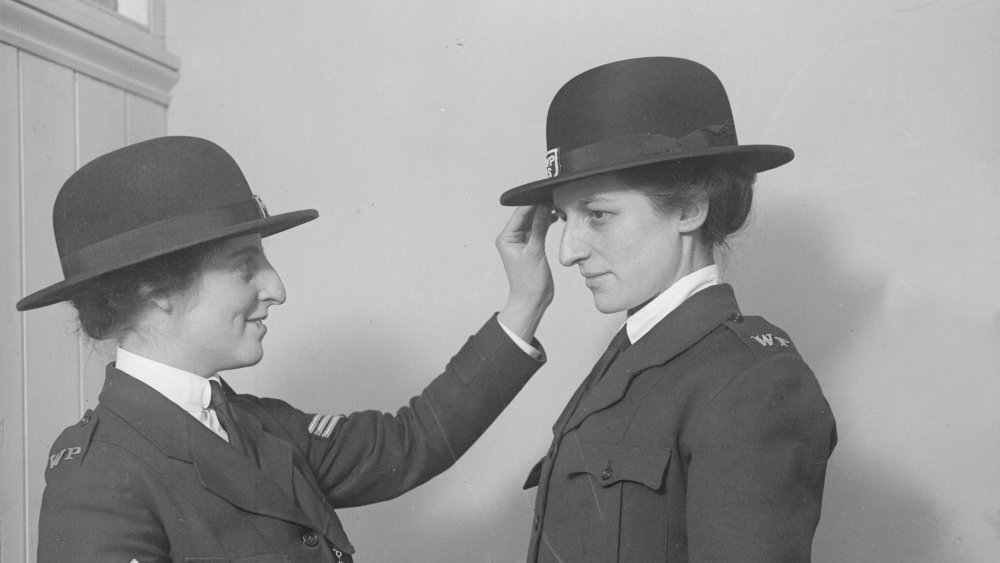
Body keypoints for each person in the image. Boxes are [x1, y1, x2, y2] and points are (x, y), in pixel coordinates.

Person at [18, 136, 554, 562]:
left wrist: (525, 302)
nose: (276, 288)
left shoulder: (260, 427)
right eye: (244, 265)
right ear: (155, 291)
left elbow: (407, 443)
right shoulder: (98, 480)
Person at [501, 57, 837, 562]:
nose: (567, 251)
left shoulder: (753, 384)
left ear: (689, 209)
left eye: (597, 214)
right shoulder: (638, 350)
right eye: (565, 217)